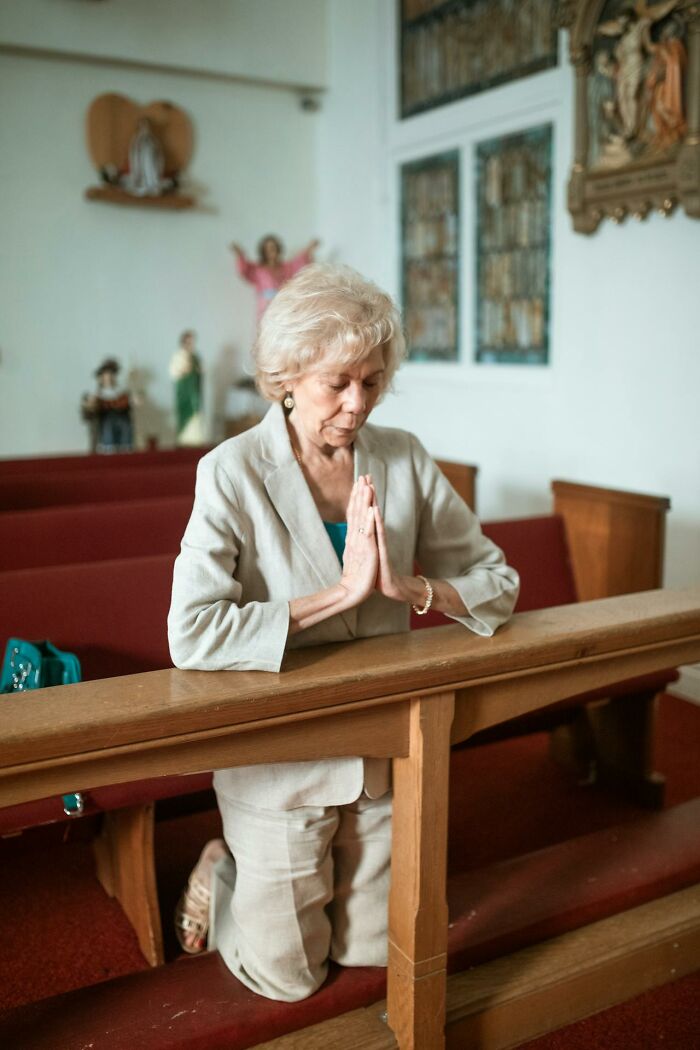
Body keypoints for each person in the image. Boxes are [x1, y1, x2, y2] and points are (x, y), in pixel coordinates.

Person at [167, 263, 519, 1003]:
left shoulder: (405, 457)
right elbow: (192, 634)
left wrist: (412, 589)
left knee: (368, 958)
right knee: (290, 979)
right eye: (338, 383)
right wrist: (337, 596)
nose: (358, 404)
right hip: (283, 755)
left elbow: (497, 578)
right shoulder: (229, 472)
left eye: (374, 379)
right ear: (287, 376)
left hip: (384, 749)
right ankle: (223, 867)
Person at [230, 235, 319, 323]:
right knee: (266, 329)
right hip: (265, 306)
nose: (272, 251)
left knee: (283, 327)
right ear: (264, 252)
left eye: (274, 247)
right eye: (268, 249)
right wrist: (239, 254)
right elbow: (245, 270)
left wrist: (309, 248)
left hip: (282, 303)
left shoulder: (286, 267)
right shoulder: (259, 269)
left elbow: (298, 263)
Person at [81, 358, 133, 453]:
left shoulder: (121, 393)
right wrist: (90, 405)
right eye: (106, 375)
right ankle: (109, 448)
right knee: (108, 426)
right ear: (101, 377)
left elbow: (129, 402)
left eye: (112, 374)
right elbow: (88, 410)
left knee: (124, 425)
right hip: (105, 423)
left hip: (122, 422)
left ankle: (126, 448)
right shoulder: (96, 394)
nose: (109, 377)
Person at [169, 329, 205, 446]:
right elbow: (174, 373)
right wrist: (185, 369)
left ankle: (195, 442)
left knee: (195, 418)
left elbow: (201, 371)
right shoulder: (178, 356)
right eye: (189, 342)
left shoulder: (195, 357)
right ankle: (183, 442)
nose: (191, 344)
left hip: (194, 392)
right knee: (184, 418)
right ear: (183, 342)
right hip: (184, 393)